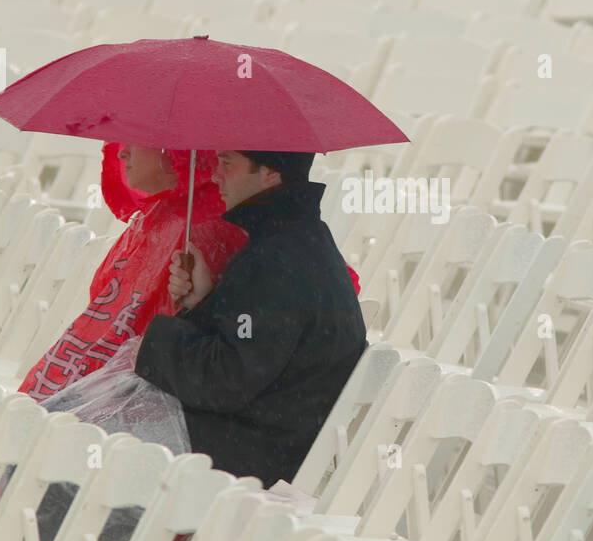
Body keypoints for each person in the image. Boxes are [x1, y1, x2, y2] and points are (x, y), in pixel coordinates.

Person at [134, 149, 369, 488]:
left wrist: (154, 340)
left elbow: (225, 379)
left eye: (228, 163)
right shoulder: (301, 239)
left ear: (270, 174)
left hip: (252, 458)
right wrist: (204, 302)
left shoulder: (276, 258)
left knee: (95, 444)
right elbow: (260, 346)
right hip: (273, 440)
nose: (215, 175)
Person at [19, 144, 247, 402]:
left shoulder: (198, 229)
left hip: (128, 398)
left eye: (135, 141)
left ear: (174, 151)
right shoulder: (161, 215)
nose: (121, 153)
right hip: (102, 386)